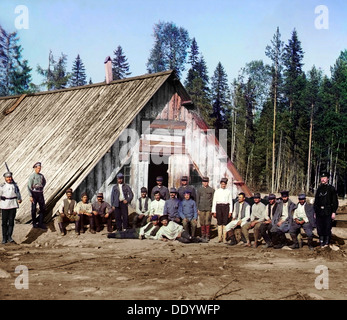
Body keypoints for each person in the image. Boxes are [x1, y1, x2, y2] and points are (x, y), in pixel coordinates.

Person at [314, 172, 338, 248]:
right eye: (322, 178)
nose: (323, 179)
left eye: (324, 178)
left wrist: (334, 212)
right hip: (319, 211)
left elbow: (335, 201)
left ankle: (326, 242)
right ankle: (321, 241)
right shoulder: (319, 189)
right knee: (319, 226)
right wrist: (315, 211)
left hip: (328, 210)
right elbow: (316, 201)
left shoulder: (331, 188)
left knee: (327, 226)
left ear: (327, 179)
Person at [0, 172, 22, 244]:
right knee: (4, 222)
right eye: (7, 177)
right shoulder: (2, 186)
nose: (9, 179)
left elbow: (18, 192)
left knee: (11, 221)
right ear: (5, 178)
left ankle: (9, 236)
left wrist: (19, 198)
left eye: (10, 177)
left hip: (13, 204)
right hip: (5, 205)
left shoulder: (14, 185)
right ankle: (4, 238)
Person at [211, 178, 233, 243]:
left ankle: (224, 238)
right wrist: (214, 211)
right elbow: (214, 201)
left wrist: (230, 211)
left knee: (225, 222)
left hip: (226, 207)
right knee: (219, 222)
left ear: (226, 184)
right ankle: (219, 237)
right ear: (220, 184)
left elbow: (230, 202)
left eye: (224, 184)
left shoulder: (228, 191)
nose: (223, 185)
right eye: (222, 184)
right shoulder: (217, 191)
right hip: (219, 207)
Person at [28, 162, 47, 229]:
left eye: (40, 168)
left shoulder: (41, 176)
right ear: (35, 168)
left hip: (40, 193)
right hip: (34, 193)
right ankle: (34, 223)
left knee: (42, 208)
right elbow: (29, 186)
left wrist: (41, 187)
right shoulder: (32, 176)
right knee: (33, 209)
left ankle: (40, 223)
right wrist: (30, 196)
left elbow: (44, 182)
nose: (39, 169)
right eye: (38, 168)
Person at [196, 177, 215, 241]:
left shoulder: (211, 190)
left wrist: (212, 209)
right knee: (202, 222)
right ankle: (203, 235)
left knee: (207, 222)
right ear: (202, 182)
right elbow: (197, 199)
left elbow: (213, 200)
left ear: (208, 182)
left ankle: (207, 235)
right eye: (204, 182)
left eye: (206, 182)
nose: (205, 183)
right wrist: (197, 208)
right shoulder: (199, 190)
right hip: (201, 208)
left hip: (208, 208)